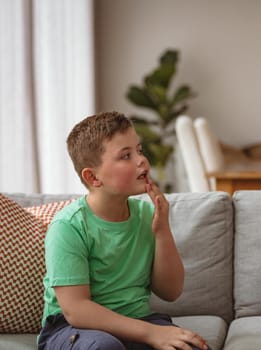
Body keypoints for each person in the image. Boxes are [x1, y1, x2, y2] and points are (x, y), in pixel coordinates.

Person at [37, 111, 210, 350]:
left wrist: (162, 231)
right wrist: (151, 333)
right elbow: (76, 310)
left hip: (136, 320)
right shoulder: (68, 227)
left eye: (139, 150)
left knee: (190, 347)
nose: (141, 160)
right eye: (126, 156)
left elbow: (171, 291)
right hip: (72, 328)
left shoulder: (146, 215)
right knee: (105, 347)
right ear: (93, 177)